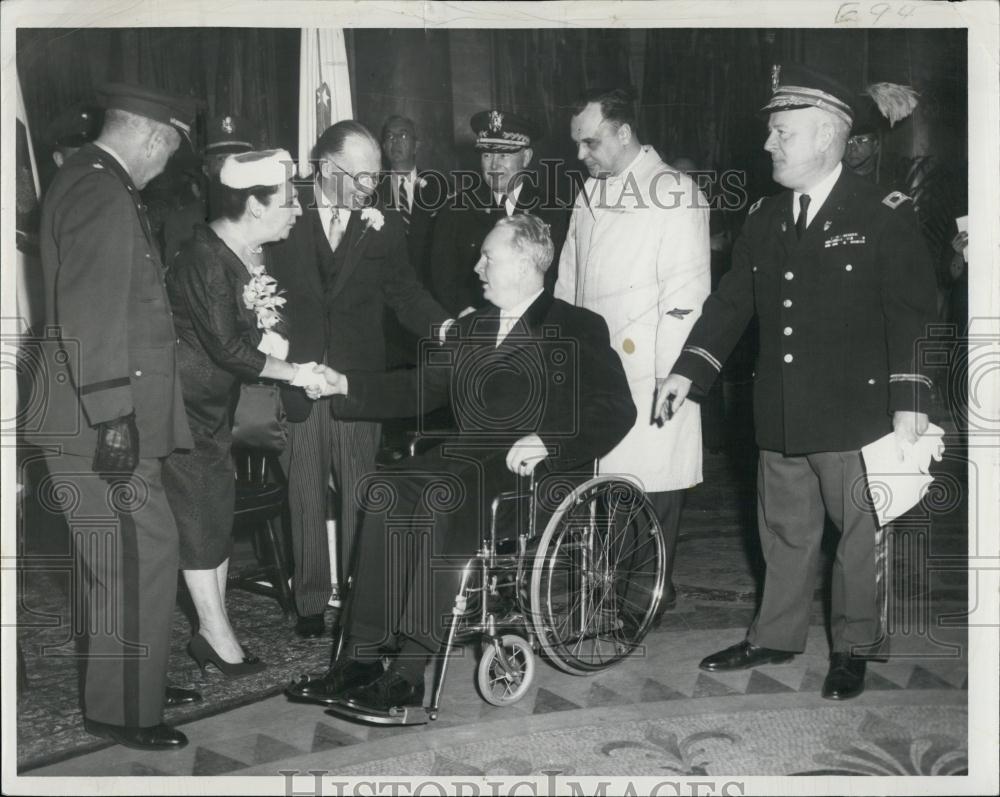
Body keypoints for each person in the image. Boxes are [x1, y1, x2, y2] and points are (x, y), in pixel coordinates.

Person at [658, 64, 938, 700]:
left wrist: (909, 401)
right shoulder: (765, 216)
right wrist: (689, 369)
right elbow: (732, 304)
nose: (768, 145)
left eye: (782, 132)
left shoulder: (884, 213)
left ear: (827, 136)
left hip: (855, 412)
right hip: (780, 410)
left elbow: (913, 312)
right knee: (783, 529)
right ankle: (776, 634)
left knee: (859, 539)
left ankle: (855, 646)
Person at [285, 214, 637, 715]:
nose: (478, 267)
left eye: (489, 257)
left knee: (441, 497)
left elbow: (616, 408)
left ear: (525, 263)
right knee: (384, 489)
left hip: (529, 475)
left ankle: (407, 671)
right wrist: (346, 384)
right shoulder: (472, 326)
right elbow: (419, 388)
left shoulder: (576, 325)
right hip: (464, 459)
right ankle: (360, 657)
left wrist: (550, 440)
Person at [27, 82, 200, 750]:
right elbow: (92, 310)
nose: (167, 162)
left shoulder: (85, 178)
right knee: (143, 552)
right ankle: (128, 708)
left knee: (116, 559)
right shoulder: (101, 189)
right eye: (170, 148)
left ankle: (131, 684)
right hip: (97, 417)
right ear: (154, 136)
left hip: (81, 412)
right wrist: (114, 415)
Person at [267, 121, 453, 639]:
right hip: (296, 378)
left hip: (356, 380)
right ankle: (308, 602)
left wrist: (443, 326)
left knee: (358, 490)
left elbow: (405, 293)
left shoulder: (384, 223)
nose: (372, 187)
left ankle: (357, 596)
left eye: (375, 177)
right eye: (363, 176)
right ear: (326, 168)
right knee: (303, 489)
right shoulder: (282, 210)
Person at [163, 148, 326, 675]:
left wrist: (273, 343)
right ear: (255, 206)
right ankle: (215, 634)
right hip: (183, 411)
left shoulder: (236, 251)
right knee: (199, 517)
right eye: (289, 203)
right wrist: (297, 372)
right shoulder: (205, 260)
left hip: (211, 410)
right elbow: (227, 349)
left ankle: (214, 629)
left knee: (213, 514)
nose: (298, 212)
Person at [554, 88, 711, 611]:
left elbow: (687, 298)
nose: (582, 155)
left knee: (651, 493)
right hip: (597, 370)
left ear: (624, 133)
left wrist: (673, 375)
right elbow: (567, 283)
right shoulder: (590, 191)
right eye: (578, 144)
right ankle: (601, 592)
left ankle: (644, 603)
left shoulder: (675, 191)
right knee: (605, 492)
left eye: (591, 142)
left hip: (649, 371)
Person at [430, 109, 568, 315]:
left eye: (504, 155)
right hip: (472, 322)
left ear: (526, 157)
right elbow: (442, 275)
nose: (494, 165)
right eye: (487, 155)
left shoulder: (552, 210)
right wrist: (465, 312)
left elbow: (557, 276)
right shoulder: (456, 209)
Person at [159, 114, 257, 265]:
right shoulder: (182, 222)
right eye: (222, 160)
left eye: (239, 158)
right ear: (206, 170)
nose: (232, 167)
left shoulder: (265, 215)